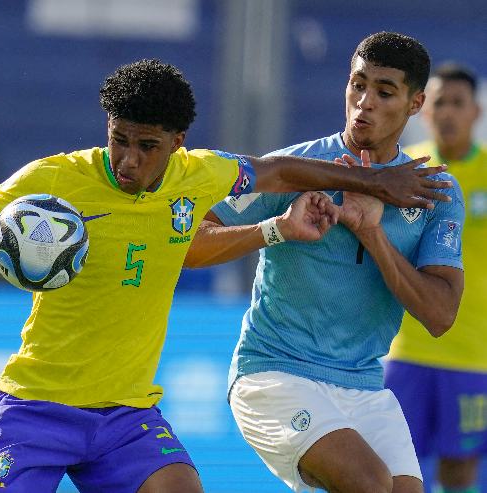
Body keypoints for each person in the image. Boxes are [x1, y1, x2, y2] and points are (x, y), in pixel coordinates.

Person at [0, 59, 449, 493]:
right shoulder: (56, 179)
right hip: (35, 408)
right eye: (119, 139)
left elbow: (275, 172)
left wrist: (377, 182)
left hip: (126, 416)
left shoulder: (199, 175)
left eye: (147, 146)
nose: (129, 160)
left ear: (176, 144)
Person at [185, 33, 465, 493]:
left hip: (363, 383)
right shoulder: (295, 167)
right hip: (274, 371)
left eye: (384, 92)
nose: (364, 102)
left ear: (415, 104)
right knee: (368, 482)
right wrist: (277, 228)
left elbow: (440, 315)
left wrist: (372, 233)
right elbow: (190, 244)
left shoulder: (433, 192)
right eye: (358, 85)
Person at [385, 63, 487, 493]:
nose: (448, 112)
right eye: (440, 102)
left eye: (458, 103)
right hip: (406, 347)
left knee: (459, 473)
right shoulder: (407, 171)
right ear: (423, 109)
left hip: (472, 353)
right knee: (395, 467)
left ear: (475, 112)